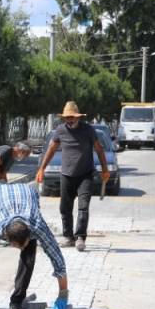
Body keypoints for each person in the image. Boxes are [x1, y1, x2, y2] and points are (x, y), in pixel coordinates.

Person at [34, 101, 110, 252]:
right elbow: (51, 149)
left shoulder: (88, 130)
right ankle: (68, 237)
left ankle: (80, 237)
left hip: (85, 175)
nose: (69, 120)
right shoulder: (60, 131)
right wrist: (41, 168)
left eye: (72, 117)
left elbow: (100, 150)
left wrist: (105, 170)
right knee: (65, 208)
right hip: (66, 175)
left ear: (78, 117)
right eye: (67, 117)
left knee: (83, 207)